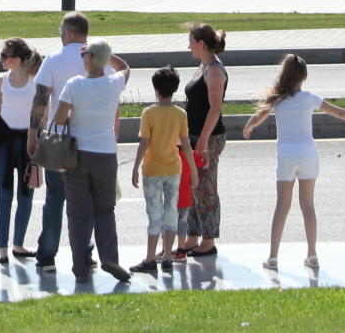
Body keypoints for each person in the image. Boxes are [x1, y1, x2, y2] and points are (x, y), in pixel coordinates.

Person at [241, 54, 345, 271]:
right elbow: (339, 113)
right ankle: (312, 254)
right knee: (307, 205)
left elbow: (259, 116)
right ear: (304, 77)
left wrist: (248, 127)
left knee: (282, 206)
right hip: (308, 155)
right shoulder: (309, 98)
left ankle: (273, 257)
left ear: (283, 74)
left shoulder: (277, 99)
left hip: (286, 156)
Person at [49, 40, 133, 283]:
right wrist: (107, 56)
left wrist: (74, 116)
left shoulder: (74, 84)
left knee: (78, 212)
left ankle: (80, 269)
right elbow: (125, 68)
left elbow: (59, 119)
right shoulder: (113, 83)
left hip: (77, 154)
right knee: (105, 209)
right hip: (105, 154)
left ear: (90, 58)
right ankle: (109, 257)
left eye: (84, 55)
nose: (82, 58)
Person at [26, 12, 90, 272]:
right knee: (85, 201)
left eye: (61, 31)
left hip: (58, 138)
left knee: (55, 199)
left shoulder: (53, 59)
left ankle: (47, 256)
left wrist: (32, 134)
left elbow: (41, 100)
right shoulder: (99, 57)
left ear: (68, 32)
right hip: (91, 138)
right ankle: (84, 252)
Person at [130, 67, 198, 274]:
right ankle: (168, 256)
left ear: (156, 90)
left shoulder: (149, 113)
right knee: (171, 211)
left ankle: (151, 258)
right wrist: (193, 171)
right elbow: (185, 144)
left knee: (154, 213)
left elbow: (144, 143)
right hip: (173, 168)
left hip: (152, 169)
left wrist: (135, 167)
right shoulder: (180, 114)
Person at [0, 37, 40, 266]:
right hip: (3, 140)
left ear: (18, 59)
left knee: (26, 195)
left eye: (5, 56)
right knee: (4, 194)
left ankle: (18, 244)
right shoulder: (1, 80)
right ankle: (2, 248)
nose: (2, 59)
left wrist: (40, 143)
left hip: (28, 140)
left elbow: (42, 115)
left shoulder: (35, 81)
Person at [181, 23, 229, 258]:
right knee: (192, 187)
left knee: (206, 188)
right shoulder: (204, 66)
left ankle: (208, 240)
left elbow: (215, 108)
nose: (188, 46)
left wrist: (203, 141)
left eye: (191, 41)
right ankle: (192, 237)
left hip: (208, 137)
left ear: (201, 43)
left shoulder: (215, 70)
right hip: (194, 136)